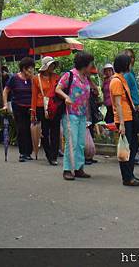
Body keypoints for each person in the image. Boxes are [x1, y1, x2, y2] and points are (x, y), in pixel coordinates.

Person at [55, 51, 94, 181]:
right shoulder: (69, 75)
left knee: (81, 143)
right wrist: (66, 97)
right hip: (70, 113)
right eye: (90, 64)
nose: (91, 67)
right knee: (72, 142)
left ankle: (78, 168)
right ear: (85, 64)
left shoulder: (86, 77)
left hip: (82, 115)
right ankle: (67, 169)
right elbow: (58, 89)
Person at [111, 53, 139, 187]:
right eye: (129, 62)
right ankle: (127, 177)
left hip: (129, 117)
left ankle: (130, 174)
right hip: (124, 119)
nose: (131, 64)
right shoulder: (116, 81)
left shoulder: (122, 79)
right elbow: (117, 104)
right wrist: (121, 123)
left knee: (133, 145)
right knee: (126, 149)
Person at [3, 57, 35, 162]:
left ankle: (29, 153)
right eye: (30, 68)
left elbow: (37, 91)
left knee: (30, 129)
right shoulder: (14, 78)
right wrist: (5, 105)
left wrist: (31, 78)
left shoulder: (32, 79)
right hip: (18, 106)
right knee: (21, 129)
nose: (31, 70)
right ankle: (22, 153)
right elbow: (6, 91)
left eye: (32, 68)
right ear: (24, 68)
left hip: (30, 107)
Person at [31, 56, 61, 166]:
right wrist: (33, 112)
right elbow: (34, 96)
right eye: (51, 65)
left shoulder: (57, 77)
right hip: (41, 108)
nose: (52, 66)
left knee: (55, 131)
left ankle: (53, 156)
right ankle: (49, 154)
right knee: (44, 132)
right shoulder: (36, 79)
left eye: (53, 64)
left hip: (54, 107)